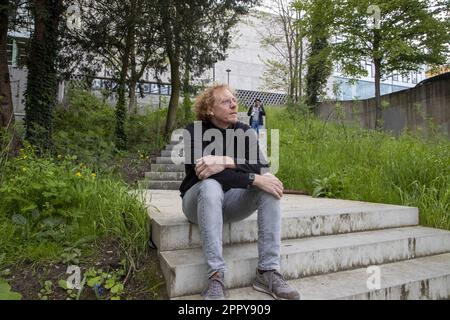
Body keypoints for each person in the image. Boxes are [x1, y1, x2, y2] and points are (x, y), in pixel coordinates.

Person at [179, 84, 300, 300]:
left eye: (234, 99)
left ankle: (267, 271)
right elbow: (202, 173)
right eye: (226, 101)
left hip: (231, 202)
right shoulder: (193, 131)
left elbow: (261, 166)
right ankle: (216, 276)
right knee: (211, 185)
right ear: (210, 109)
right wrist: (251, 177)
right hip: (197, 202)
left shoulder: (244, 131)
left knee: (269, 185)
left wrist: (226, 161)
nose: (234, 104)